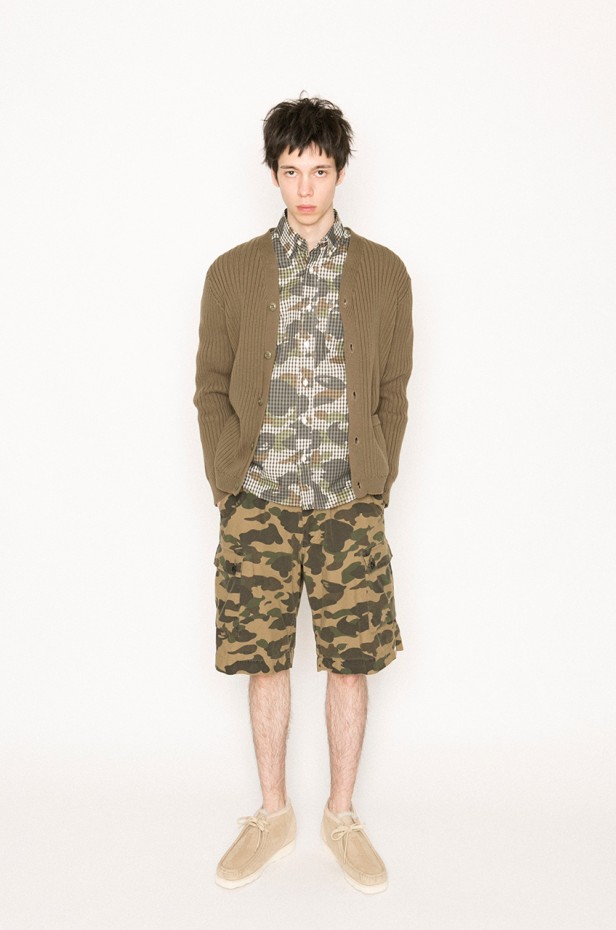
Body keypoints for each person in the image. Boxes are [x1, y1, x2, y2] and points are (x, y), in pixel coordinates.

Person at [193, 95, 414, 894]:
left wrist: (375, 482)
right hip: (258, 501)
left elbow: (393, 392)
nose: (306, 188)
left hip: (348, 503)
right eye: (292, 171)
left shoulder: (385, 272)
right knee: (264, 662)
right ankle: (273, 813)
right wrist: (228, 481)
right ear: (274, 175)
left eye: (319, 171)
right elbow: (210, 387)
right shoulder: (233, 272)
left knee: (352, 664)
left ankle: (342, 815)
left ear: (340, 172)